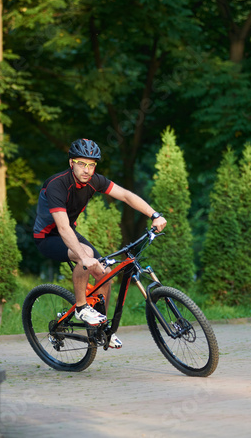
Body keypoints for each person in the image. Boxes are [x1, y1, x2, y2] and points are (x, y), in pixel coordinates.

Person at [33, 138, 167, 349]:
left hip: (69, 234)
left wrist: (154, 214)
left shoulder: (94, 181)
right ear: (71, 163)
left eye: (92, 164)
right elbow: (64, 228)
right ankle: (80, 306)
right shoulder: (57, 185)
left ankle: (101, 330)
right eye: (82, 163)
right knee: (85, 254)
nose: (87, 169)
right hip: (47, 237)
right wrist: (85, 258)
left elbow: (125, 195)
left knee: (105, 273)